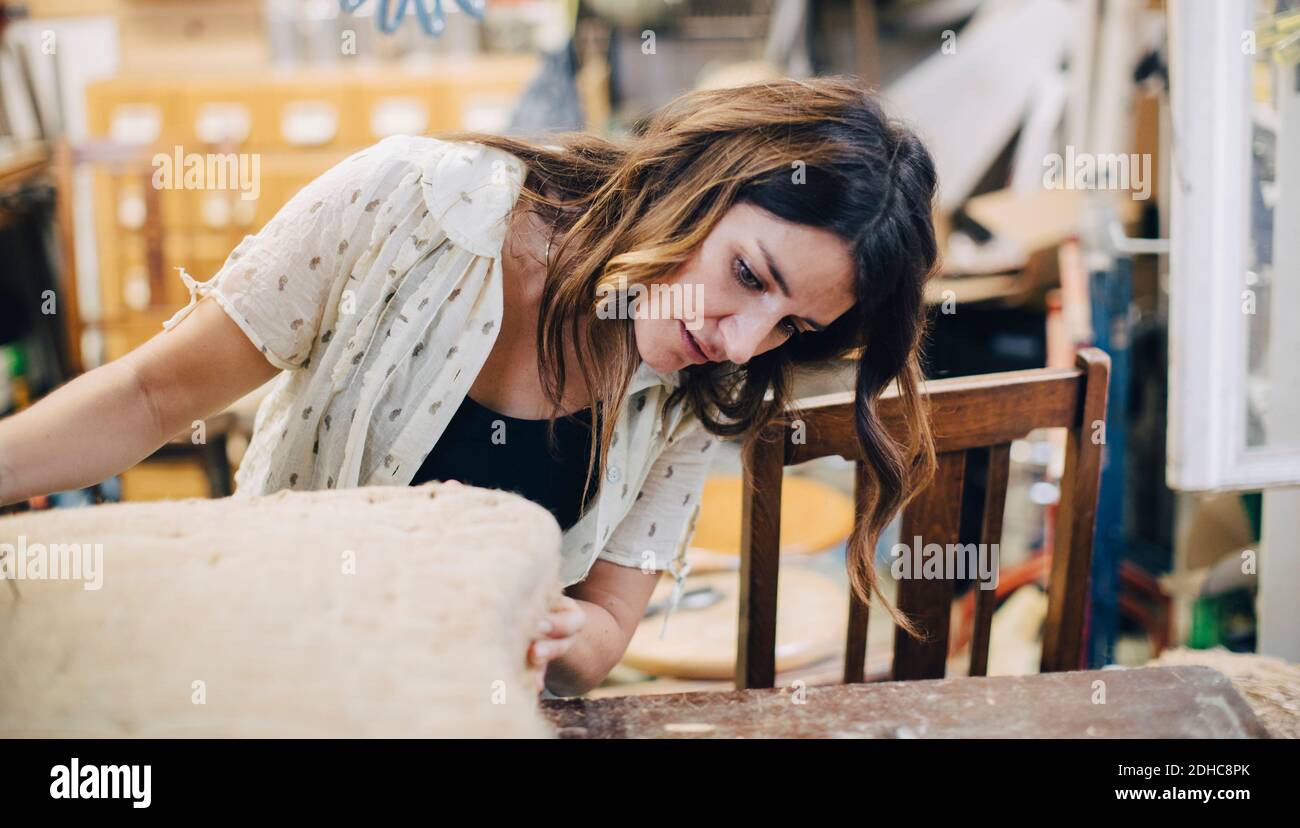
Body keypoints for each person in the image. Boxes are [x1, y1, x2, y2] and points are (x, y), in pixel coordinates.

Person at [0, 75, 939, 697]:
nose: (739, 343)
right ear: (700, 175)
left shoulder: (699, 394)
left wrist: (558, 628)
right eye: (746, 274)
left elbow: (608, 624)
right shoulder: (411, 207)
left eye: (789, 327)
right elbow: (154, 397)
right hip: (274, 671)